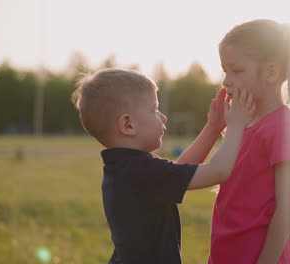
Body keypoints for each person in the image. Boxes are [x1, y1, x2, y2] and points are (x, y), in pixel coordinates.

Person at [71, 68, 254, 264]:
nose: (163, 117)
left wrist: (213, 128)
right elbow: (218, 171)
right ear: (128, 125)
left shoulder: (125, 168)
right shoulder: (140, 170)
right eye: (154, 109)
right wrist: (236, 125)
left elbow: (179, 170)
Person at [208, 19, 290, 264]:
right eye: (224, 70)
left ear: (271, 72)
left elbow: (286, 211)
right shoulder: (240, 124)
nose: (226, 80)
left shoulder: (283, 129)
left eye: (236, 71)